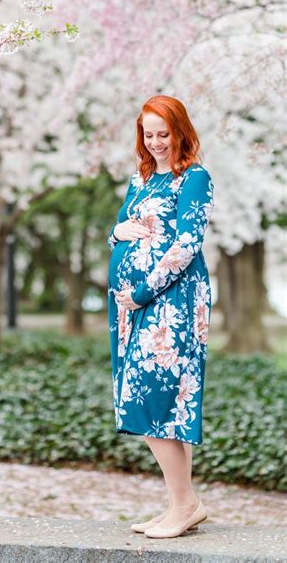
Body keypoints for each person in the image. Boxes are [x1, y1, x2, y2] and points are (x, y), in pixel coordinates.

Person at [107, 95, 214, 539]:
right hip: (133, 306)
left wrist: (143, 291)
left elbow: (187, 245)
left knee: (156, 399)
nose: (155, 143)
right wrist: (117, 232)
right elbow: (120, 224)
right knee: (158, 402)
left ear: (180, 131)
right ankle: (180, 504)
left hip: (172, 303)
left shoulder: (194, 178)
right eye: (148, 135)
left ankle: (185, 503)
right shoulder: (142, 178)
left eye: (163, 134)